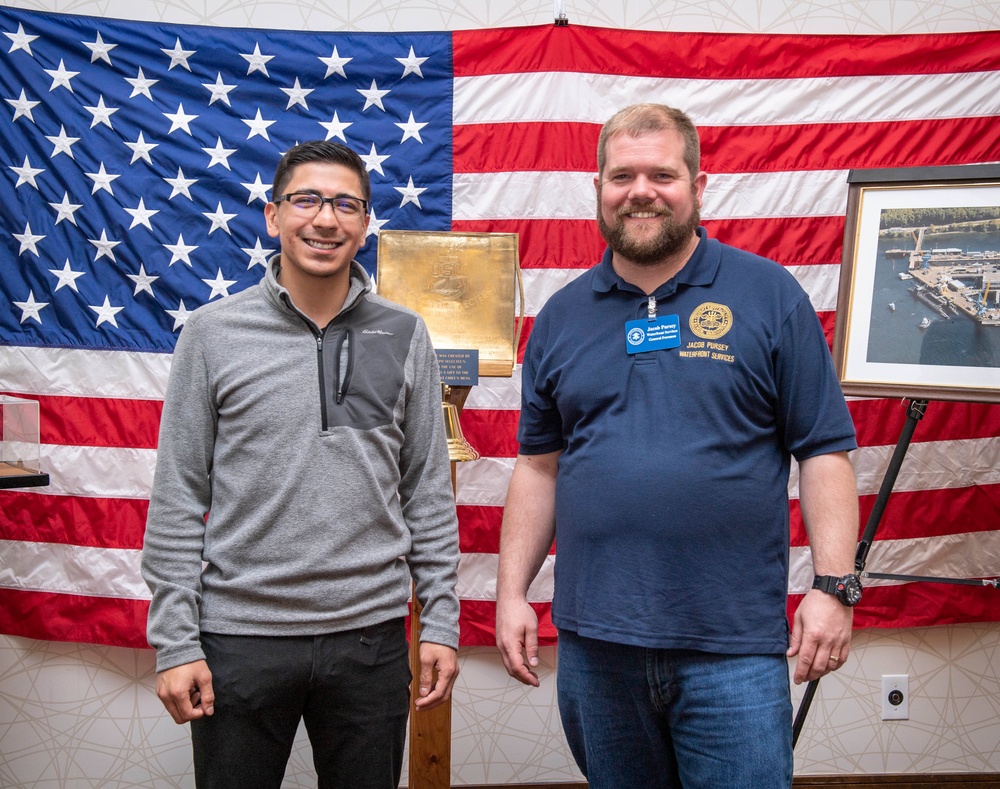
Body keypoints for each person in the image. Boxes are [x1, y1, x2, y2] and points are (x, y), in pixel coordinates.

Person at [495, 104, 861, 788]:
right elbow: (538, 466)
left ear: (698, 184)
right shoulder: (560, 317)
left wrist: (835, 586)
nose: (641, 190)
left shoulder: (769, 294)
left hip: (732, 647)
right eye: (622, 175)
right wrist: (510, 592)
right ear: (599, 188)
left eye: (662, 173)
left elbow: (824, 450)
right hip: (596, 648)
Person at [141, 140, 460, 789]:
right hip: (241, 640)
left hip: (369, 640)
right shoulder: (212, 331)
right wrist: (176, 641)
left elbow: (426, 492)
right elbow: (178, 493)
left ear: (365, 221)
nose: (325, 218)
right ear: (273, 215)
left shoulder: (402, 335)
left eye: (346, 203)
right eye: (307, 199)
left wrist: (443, 622)